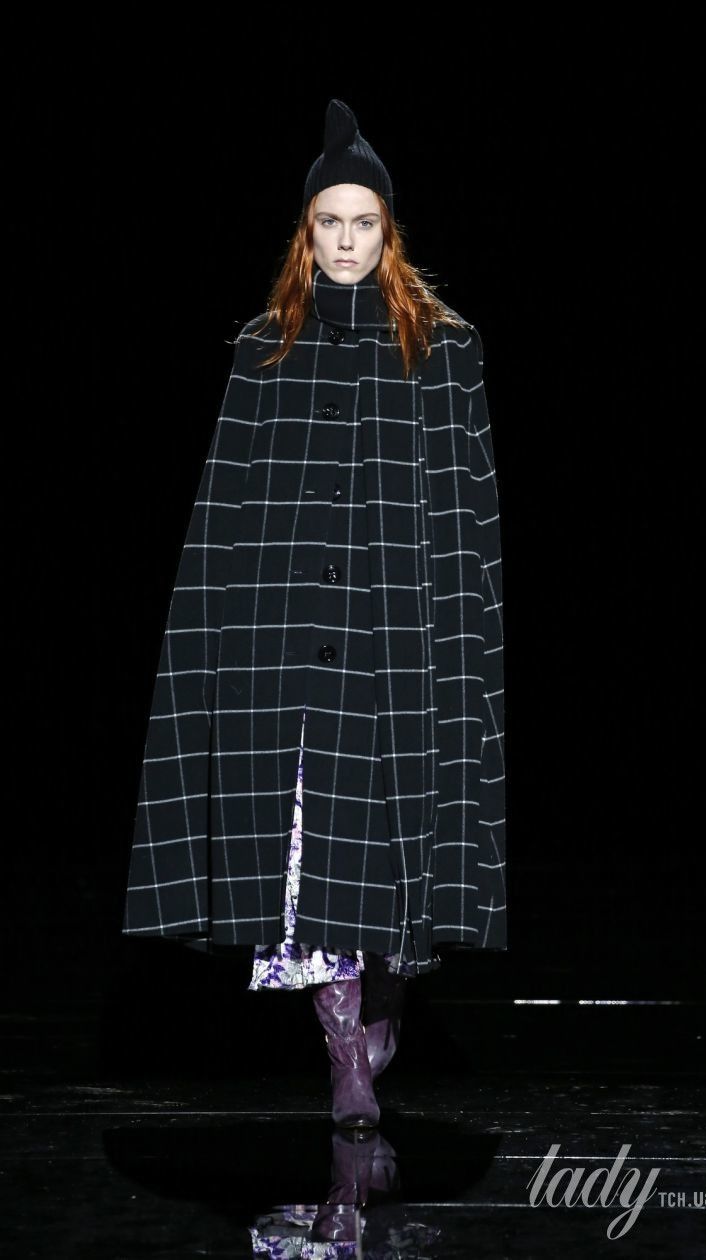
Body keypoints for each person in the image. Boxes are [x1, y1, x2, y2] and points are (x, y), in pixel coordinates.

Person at [122, 99, 506, 1130]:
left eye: (363, 223)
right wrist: (216, 659)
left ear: (389, 232)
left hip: (398, 649)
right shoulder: (265, 348)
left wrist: (463, 651)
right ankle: (344, 1061)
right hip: (288, 648)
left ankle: (380, 1011)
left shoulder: (445, 351)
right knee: (306, 871)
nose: (345, 242)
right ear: (305, 233)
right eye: (328, 223)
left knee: (392, 873)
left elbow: (466, 519)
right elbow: (223, 517)